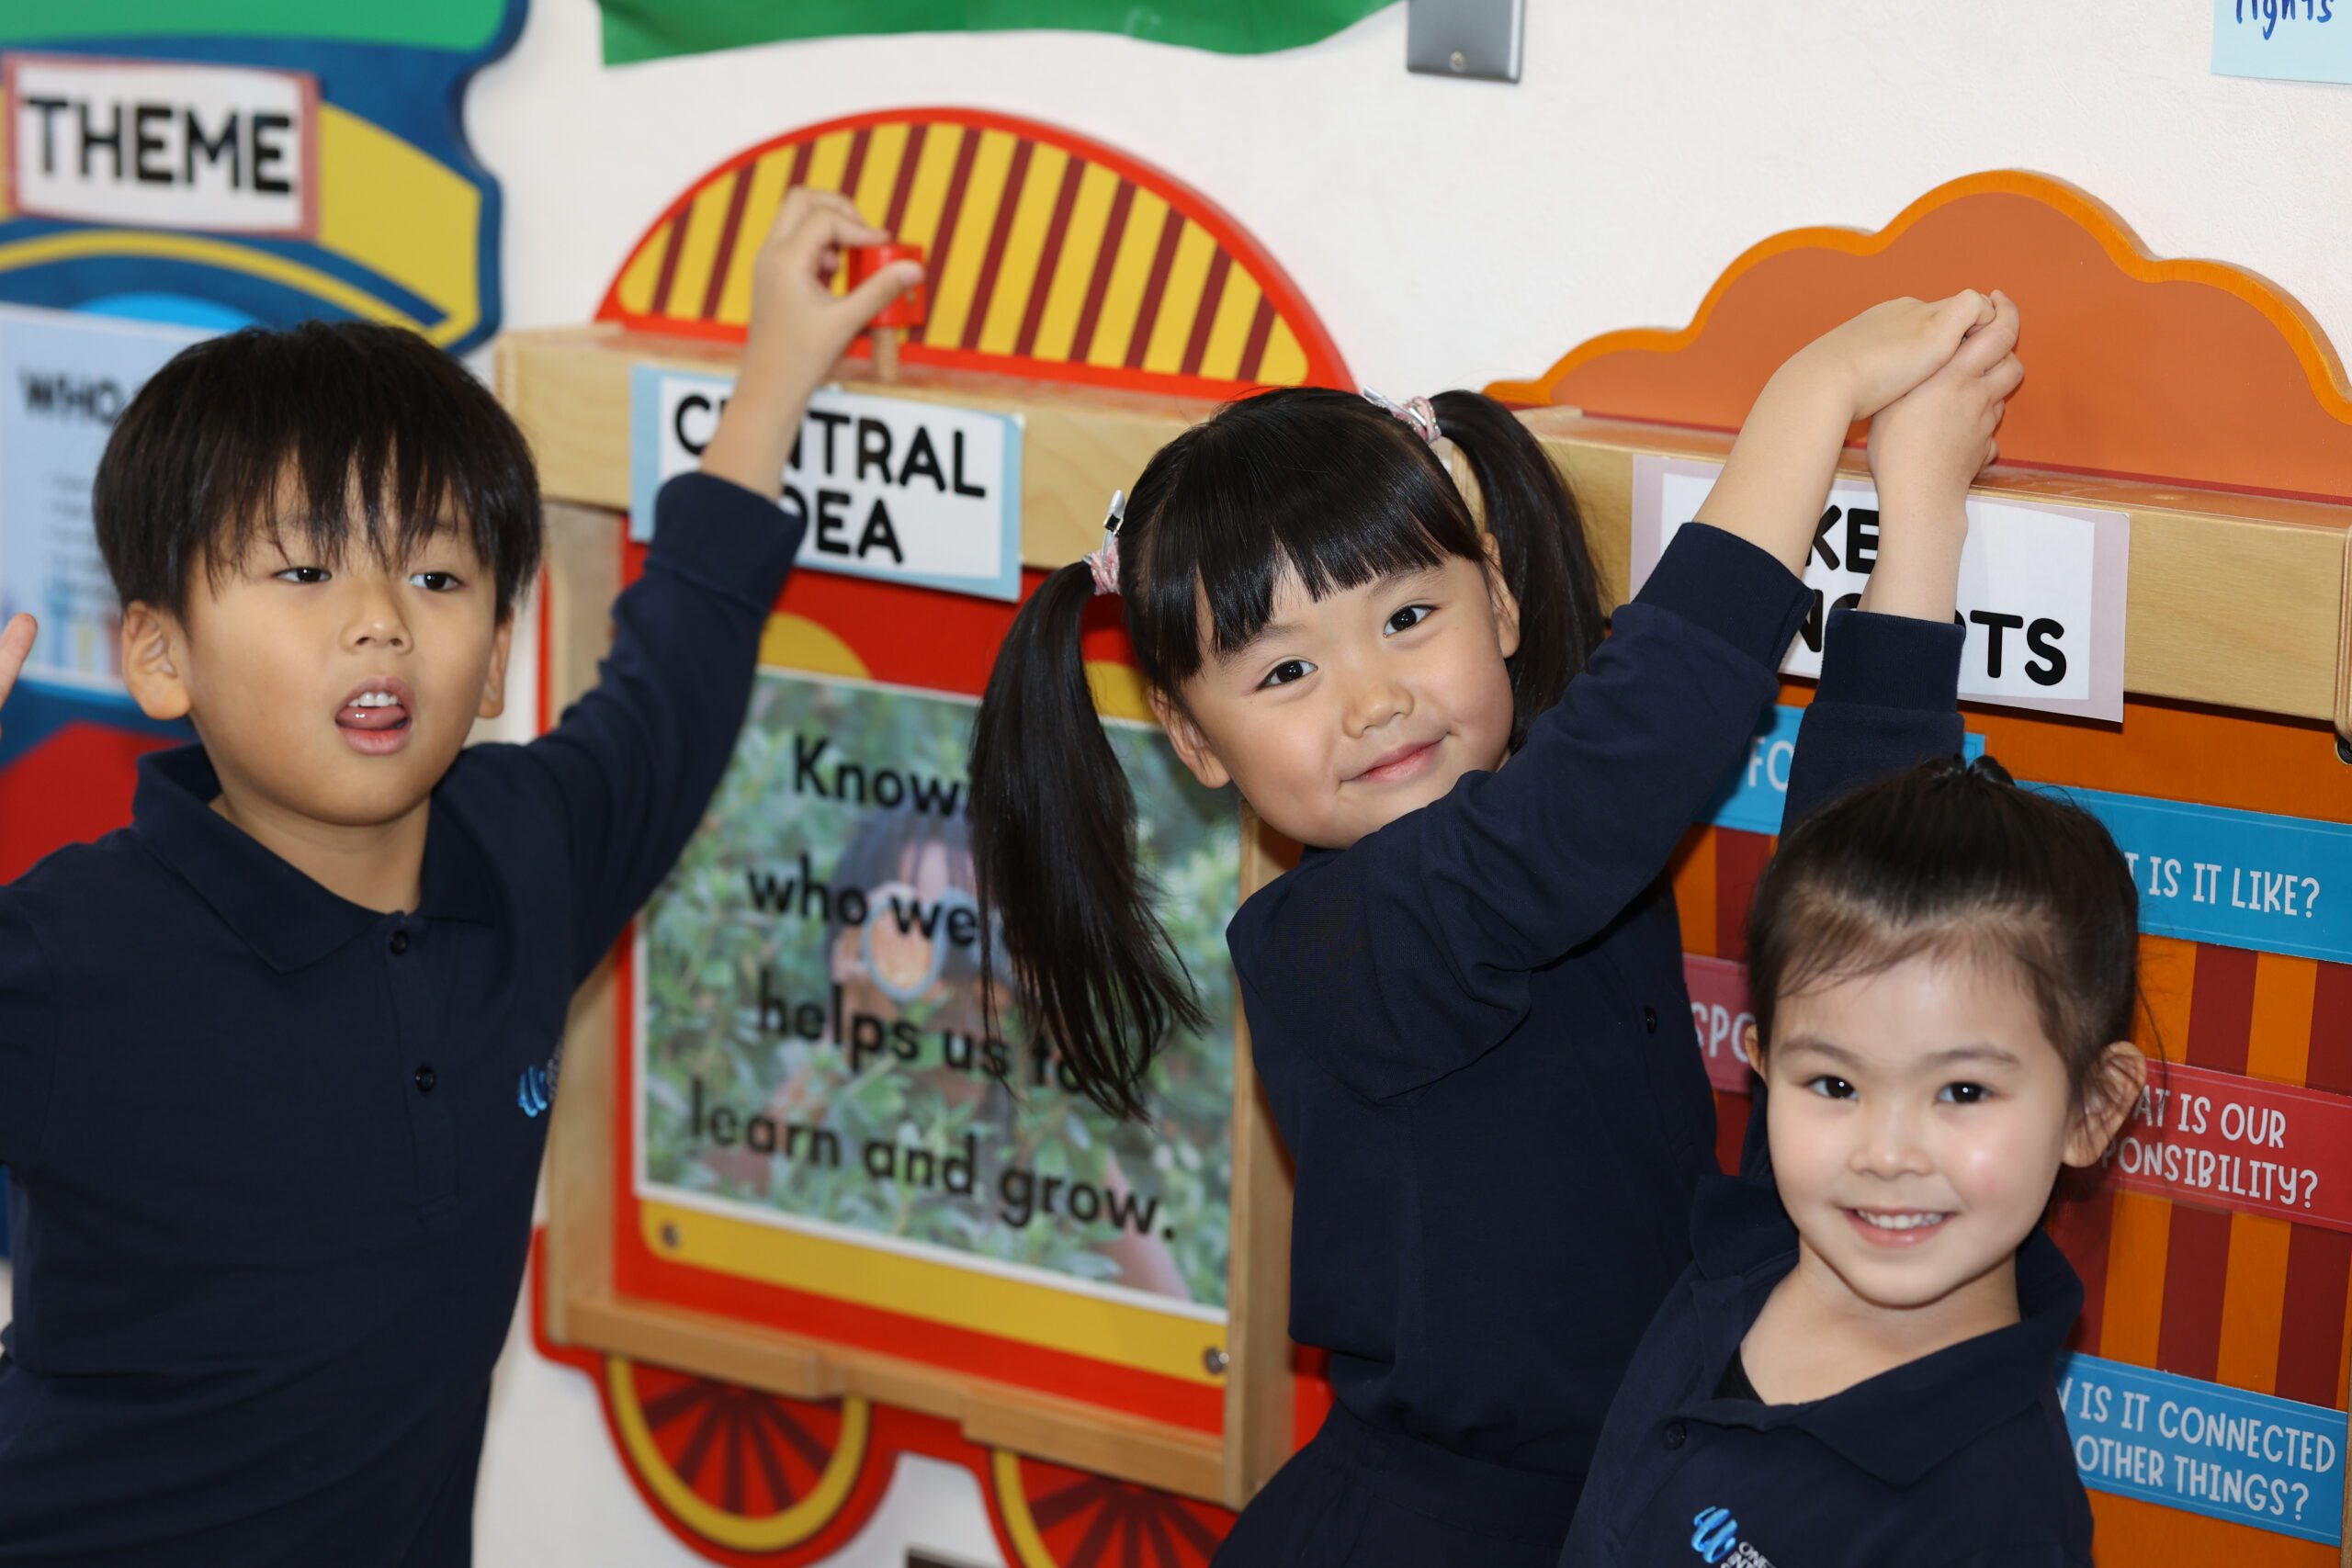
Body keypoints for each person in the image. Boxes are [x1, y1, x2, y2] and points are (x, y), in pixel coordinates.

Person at [968, 288, 2022, 1564]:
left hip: (1637, 1493)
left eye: (1409, 616)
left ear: (1504, 609)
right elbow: (1622, 766)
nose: (1372, 697)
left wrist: (1919, 524)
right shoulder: (1334, 939)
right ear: (1194, 739)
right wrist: (1811, 396)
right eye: (1285, 670)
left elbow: (1871, 911)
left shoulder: (1558, 853)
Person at [0, 189, 921, 1566]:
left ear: (495, 655)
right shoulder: (68, 950)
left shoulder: (523, 847)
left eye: (435, 575)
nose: (379, 620)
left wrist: (774, 372)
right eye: (304, 568)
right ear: (157, 652)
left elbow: (672, 677)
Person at [1556, 755, 2140, 1568]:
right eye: (1834, 1083)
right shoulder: (1738, 1256)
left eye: (1963, 1091)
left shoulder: (1999, 1523)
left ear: (2092, 1108)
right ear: (1762, 1066)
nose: (1887, 1152)